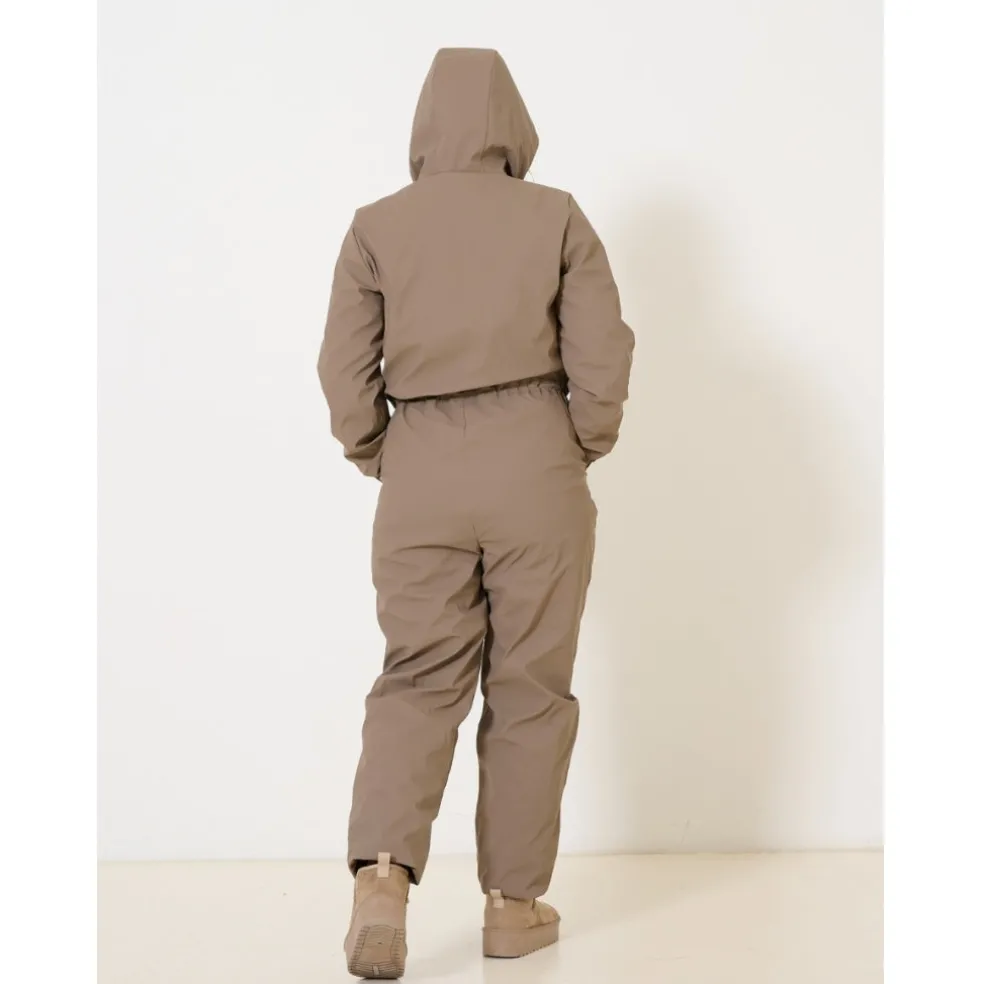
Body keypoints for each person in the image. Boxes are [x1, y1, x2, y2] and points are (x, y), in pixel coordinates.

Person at [317, 47, 634, 980]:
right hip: (536, 461)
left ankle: (383, 878)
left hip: (420, 468)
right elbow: (604, 357)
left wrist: (384, 452)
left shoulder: (376, 227)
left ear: (425, 126)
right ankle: (513, 905)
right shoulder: (557, 215)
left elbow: (344, 374)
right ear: (513, 126)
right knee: (532, 685)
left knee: (417, 676)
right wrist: (576, 444)